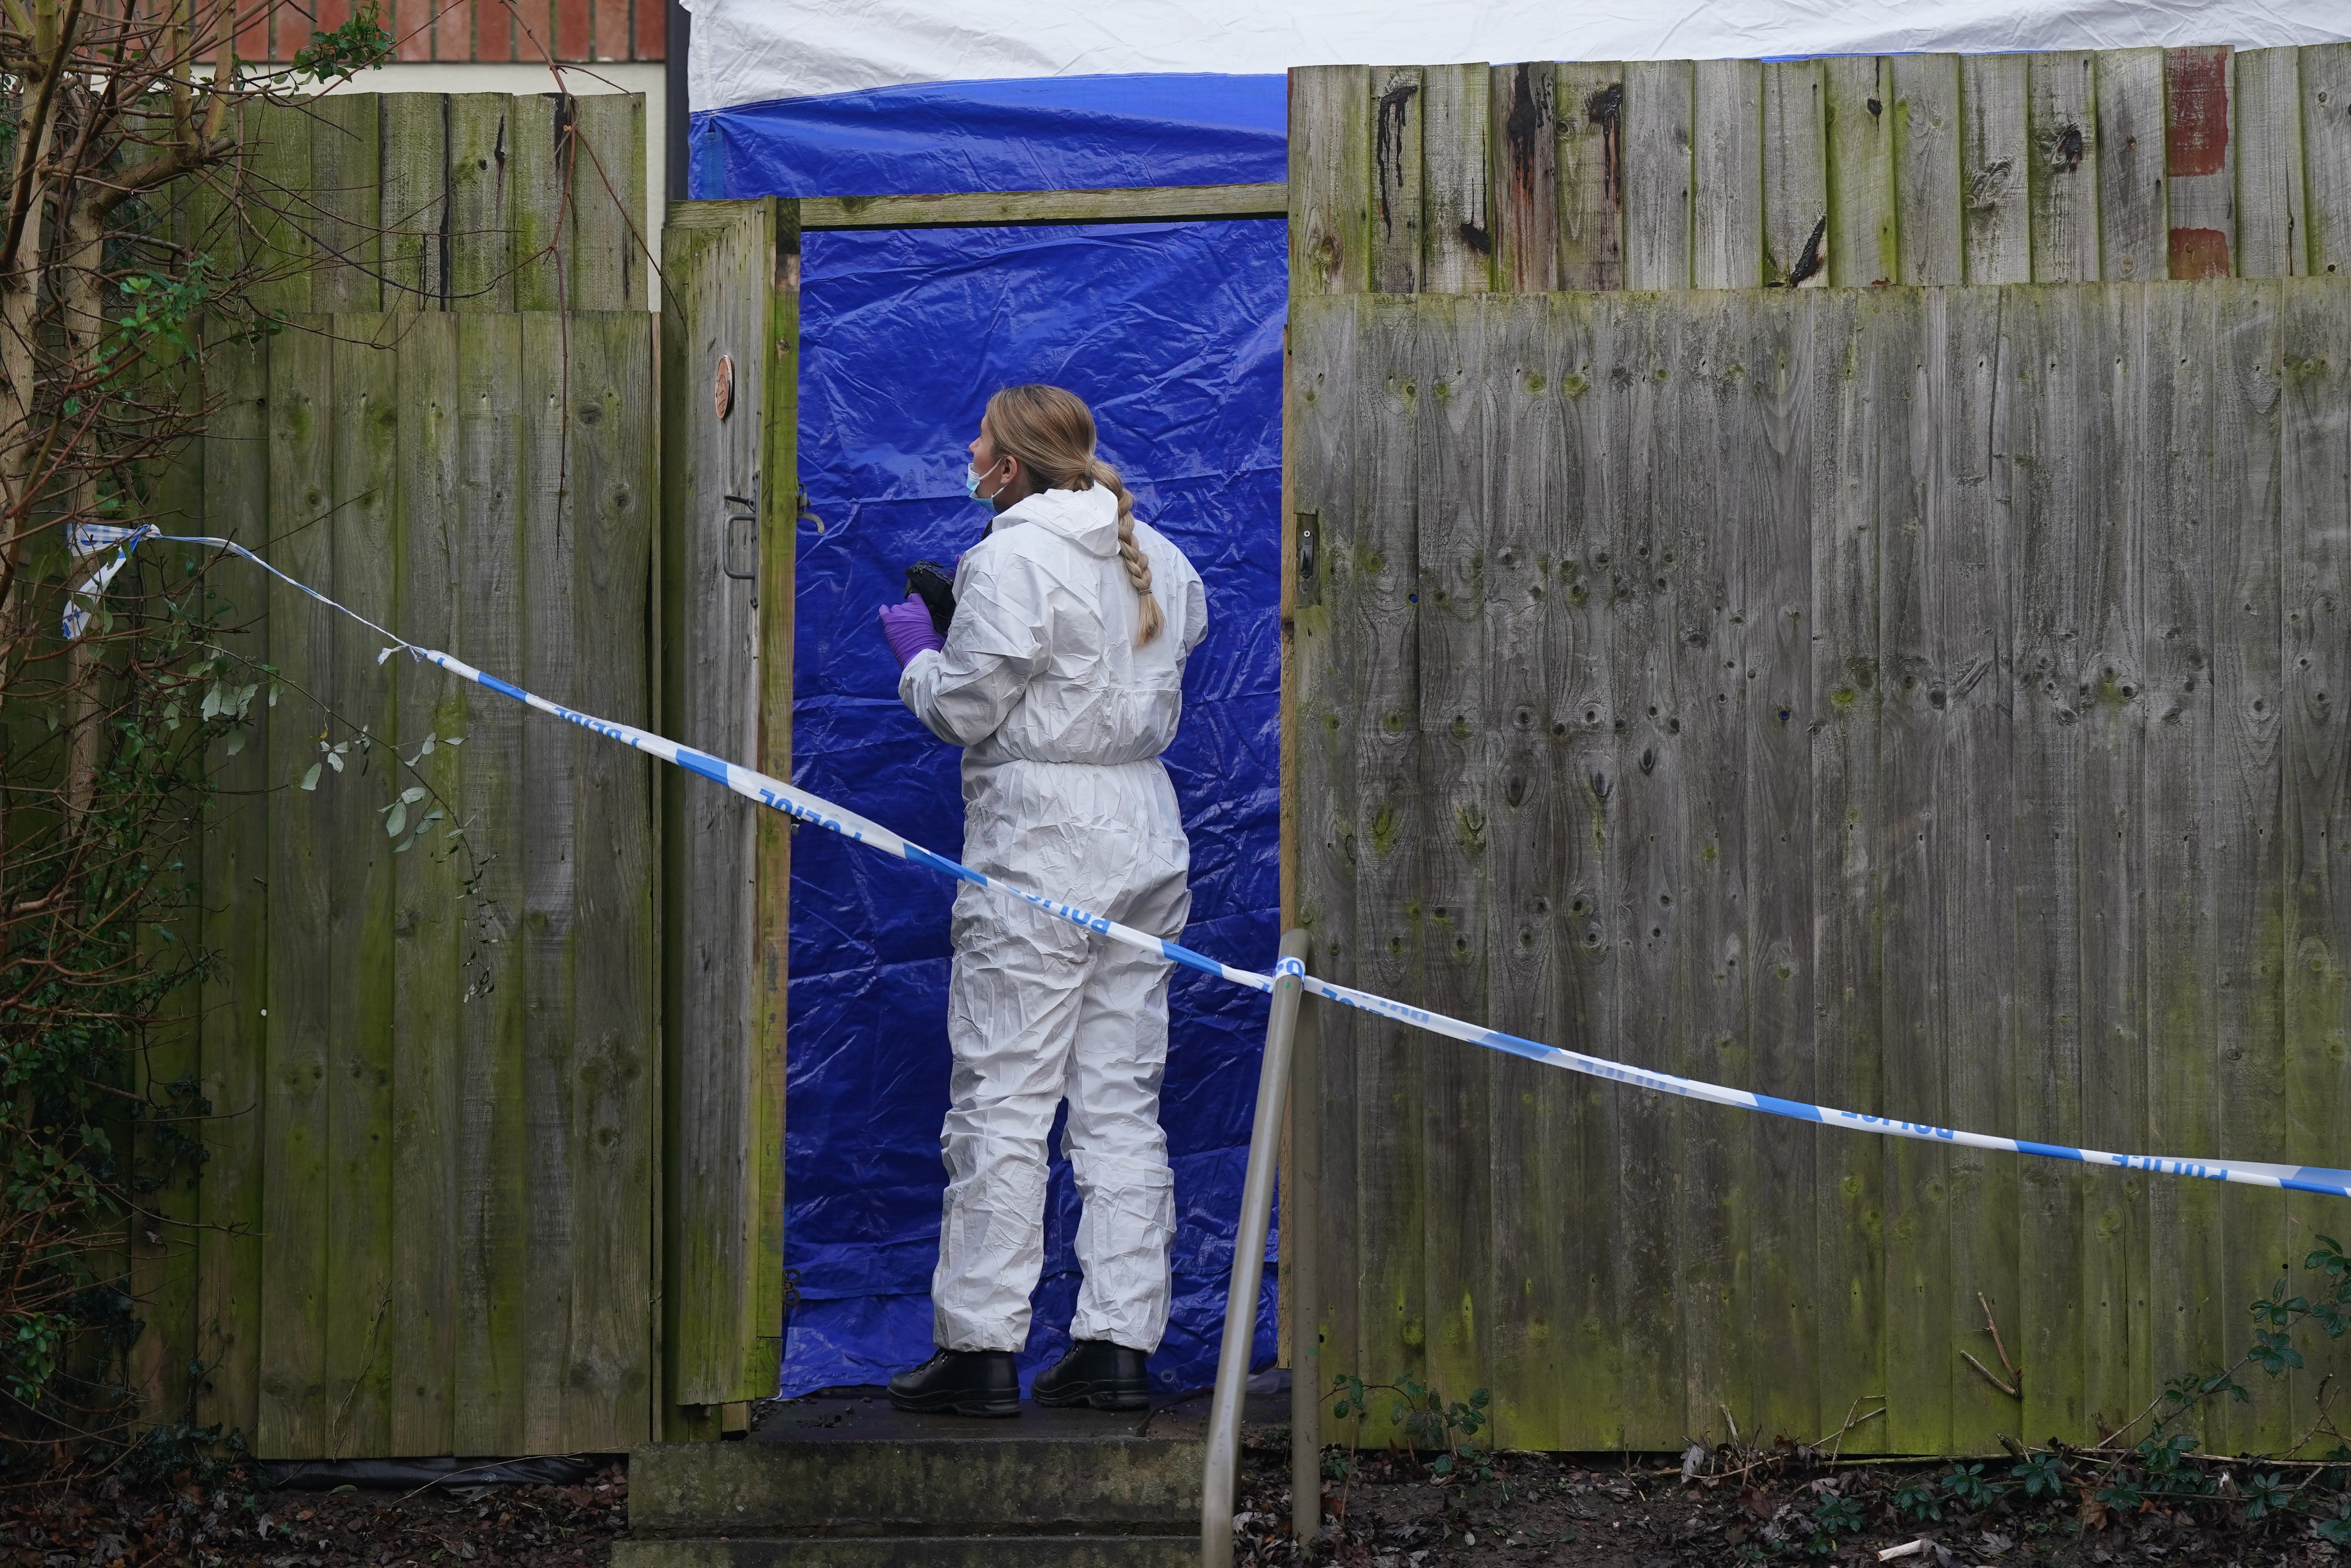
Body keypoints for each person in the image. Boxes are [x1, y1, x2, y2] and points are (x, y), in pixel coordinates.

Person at [872, 384, 1209, 1418]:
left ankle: (979, 1348)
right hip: (1143, 836)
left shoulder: (1009, 556)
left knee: (1005, 1096)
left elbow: (969, 708)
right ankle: (1117, 1345)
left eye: (977, 445)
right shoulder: (1164, 558)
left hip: (1039, 848)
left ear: (1008, 469)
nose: (968, 457)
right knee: (1120, 1100)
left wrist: (919, 654)